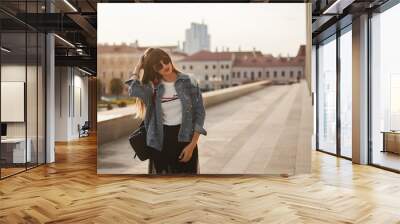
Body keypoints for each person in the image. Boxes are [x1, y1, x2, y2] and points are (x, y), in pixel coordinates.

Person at [125, 48, 207, 174]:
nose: (164, 66)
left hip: (185, 140)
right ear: (154, 69)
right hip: (160, 142)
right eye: (159, 65)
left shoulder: (189, 81)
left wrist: (192, 145)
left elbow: (200, 113)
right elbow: (134, 90)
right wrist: (138, 67)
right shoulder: (152, 87)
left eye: (166, 60)